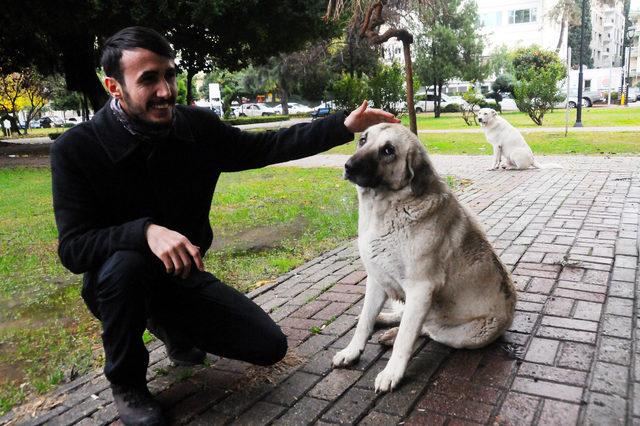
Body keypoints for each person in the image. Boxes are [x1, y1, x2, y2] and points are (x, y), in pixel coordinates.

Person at [51, 26, 398, 426]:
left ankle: (170, 324)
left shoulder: (195, 129)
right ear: (114, 86)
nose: (165, 90)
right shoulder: (76, 150)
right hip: (117, 286)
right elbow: (73, 248)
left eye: (169, 74)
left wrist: (342, 126)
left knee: (269, 346)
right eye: (148, 79)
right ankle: (127, 383)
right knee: (126, 267)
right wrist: (144, 231)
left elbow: (266, 146)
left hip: (183, 276)